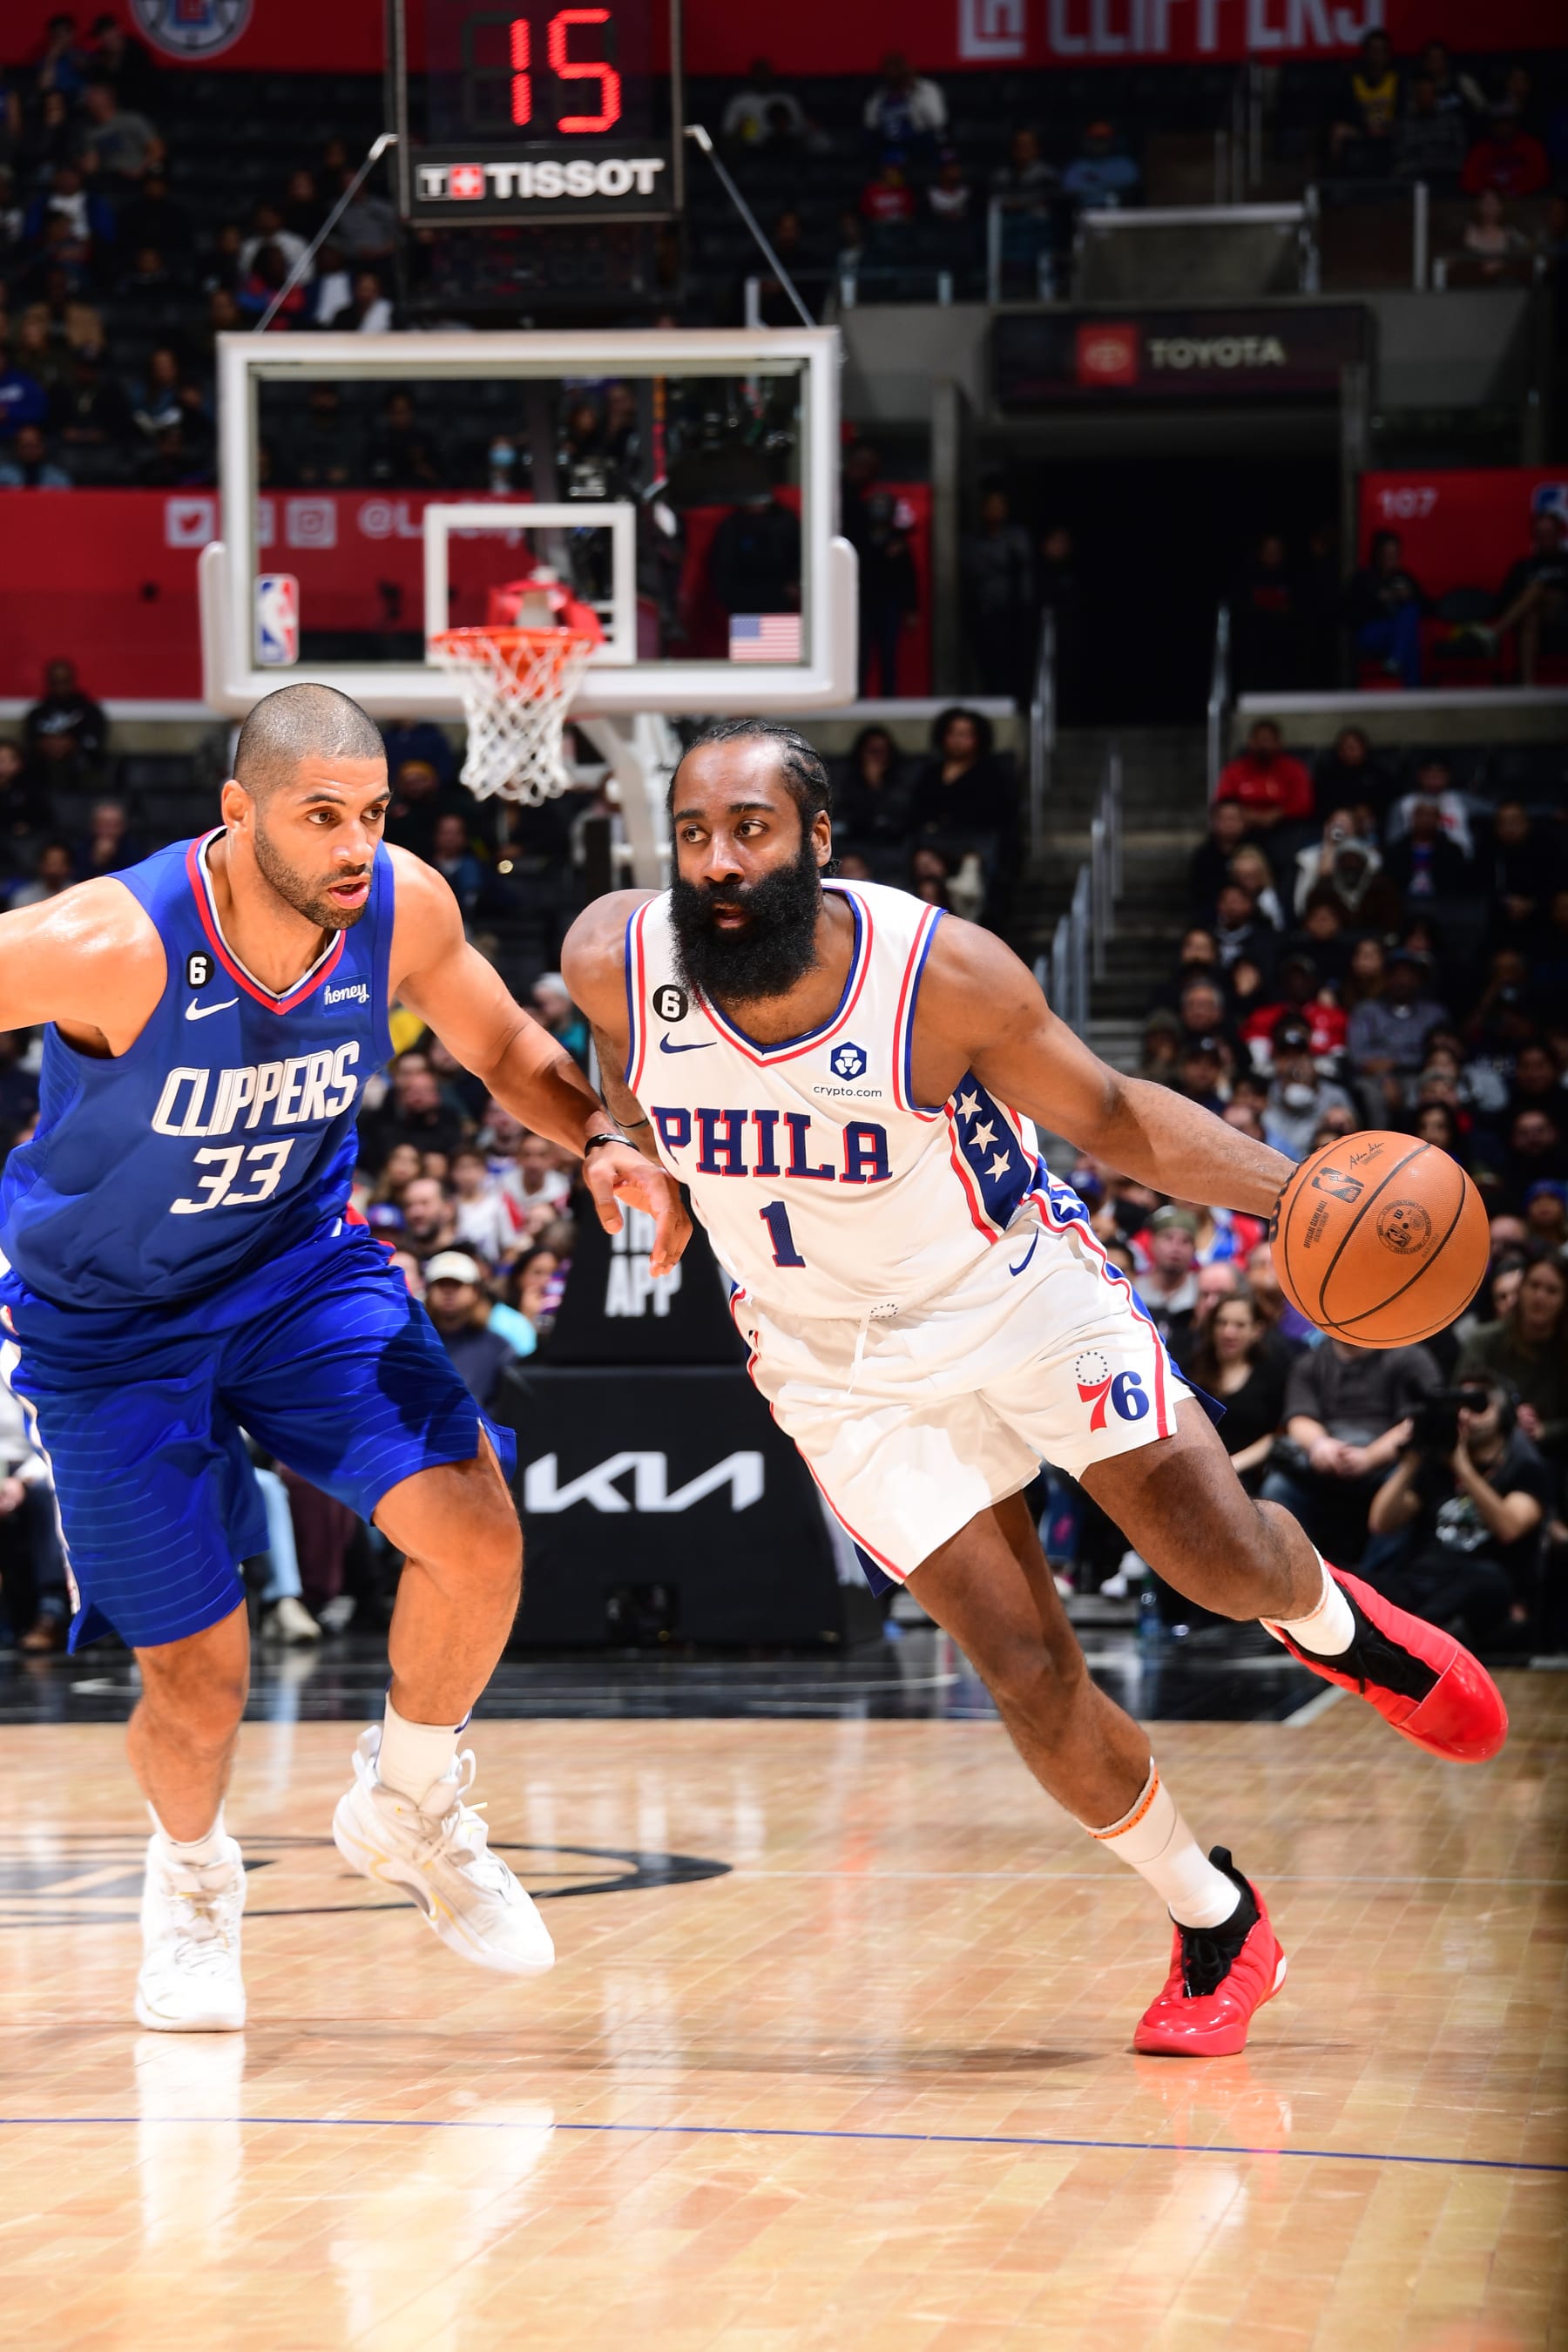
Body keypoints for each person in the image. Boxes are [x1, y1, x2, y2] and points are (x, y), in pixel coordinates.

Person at [562, 717, 1507, 2063]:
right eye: (696, 835)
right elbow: (621, 1076)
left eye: (751, 831)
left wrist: (1297, 1193)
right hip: (838, 1368)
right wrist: (620, 1145)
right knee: (1022, 1667)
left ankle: (1338, 1630)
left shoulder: (939, 976)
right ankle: (1217, 1918)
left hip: (1022, 1302)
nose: (718, 863)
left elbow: (1115, 1119)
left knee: (1213, 1559)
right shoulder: (615, 956)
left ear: (820, 843)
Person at [0, 680, 686, 2029]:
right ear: (239, 811)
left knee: (479, 1532)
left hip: (296, 1275)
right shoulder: (109, 940)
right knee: (200, 1680)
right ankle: (193, 1877)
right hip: (113, 1328)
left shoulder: (402, 908)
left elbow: (498, 1042)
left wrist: (601, 1137)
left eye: (371, 814)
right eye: (322, 816)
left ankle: (414, 1802)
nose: (354, 845)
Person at [1364, 1382, 1546, 1646]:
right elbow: (1381, 1523)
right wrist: (1411, 1462)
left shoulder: (1526, 1470)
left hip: (1485, 1580)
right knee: (1345, 1578)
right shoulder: (1435, 1469)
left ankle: (1407, 1640)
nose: (1465, 1416)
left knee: (1486, 1580)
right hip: (1425, 1578)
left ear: (1504, 1414)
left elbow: (1510, 1528)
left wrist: (1462, 1467)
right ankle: (1411, 1635)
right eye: (1458, 1408)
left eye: (1477, 1407)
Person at [1260, 1338, 1443, 1566]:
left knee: (1413, 1485)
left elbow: (1422, 1419)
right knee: (1278, 1488)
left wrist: (1369, 1457)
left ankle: (1376, 1582)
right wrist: (1320, 1445)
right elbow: (1298, 1417)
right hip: (1325, 1457)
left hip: (1387, 1460)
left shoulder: (1409, 1357)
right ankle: (1297, 1573)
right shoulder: (1311, 1362)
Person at [1457, 1251, 1568, 1470]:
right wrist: (1505, 1414)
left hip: (1550, 1455)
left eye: (1552, 1291)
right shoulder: (1484, 1340)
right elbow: (1460, 1394)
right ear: (1521, 1289)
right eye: (1533, 1285)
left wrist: (1544, 1430)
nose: (1540, 1297)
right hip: (1483, 1444)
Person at [1185, 1291, 1288, 1493]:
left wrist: (1231, 1466)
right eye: (1222, 1323)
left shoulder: (1272, 1374)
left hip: (1244, 1473)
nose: (1228, 1332)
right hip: (1194, 1467)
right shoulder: (1191, 1369)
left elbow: (1276, 1436)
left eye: (1239, 1325)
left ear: (1257, 1330)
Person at [422, 1251, 521, 1411]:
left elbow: (508, 1409)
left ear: (475, 1291)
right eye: (441, 1284)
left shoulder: (499, 1348)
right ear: (428, 1291)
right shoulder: (413, 1345)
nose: (448, 1291)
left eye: (457, 1284)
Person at [1481, 507, 1568, 686]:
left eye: (1549, 533)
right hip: (1533, 619)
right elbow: (1503, 599)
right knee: (1530, 614)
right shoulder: (1524, 566)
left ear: (1559, 534)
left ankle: (1496, 632)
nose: (1544, 539)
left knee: (1538, 589)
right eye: (1540, 534)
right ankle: (1528, 683)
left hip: (1562, 616)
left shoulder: (1565, 562)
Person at [1345, 531, 1429, 689]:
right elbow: (1348, 611)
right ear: (1378, 554)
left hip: (1398, 632)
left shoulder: (1405, 577)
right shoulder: (1364, 577)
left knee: (1411, 615)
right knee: (1409, 637)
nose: (1392, 557)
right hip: (1370, 632)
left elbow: (1427, 607)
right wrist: (1377, 598)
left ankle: (1395, 661)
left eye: (1395, 553)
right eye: (1387, 553)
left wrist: (1410, 595)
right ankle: (1414, 693)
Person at [1214, 720, 1314, 832]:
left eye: (1267, 740)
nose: (1263, 746)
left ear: (1279, 742)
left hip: (1285, 826)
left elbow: (1303, 804)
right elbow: (1223, 801)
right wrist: (1244, 813)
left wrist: (1278, 813)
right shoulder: (1234, 770)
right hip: (1243, 827)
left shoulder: (1294, 769)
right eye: (1258, 740)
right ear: (1250, 742)